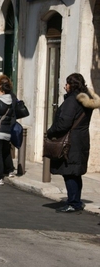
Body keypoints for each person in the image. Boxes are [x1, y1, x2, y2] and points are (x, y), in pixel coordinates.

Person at [47, 73, 100, 213]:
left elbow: (64, 123)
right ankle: (76, 200)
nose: (65, 86)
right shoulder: (86, 100)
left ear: (71, 85)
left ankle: (73, 202)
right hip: (81, 140)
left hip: (70, 142)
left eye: (67, 83)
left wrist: (51, 131)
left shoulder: (72, 101)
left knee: (69, 172)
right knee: (75, 172)